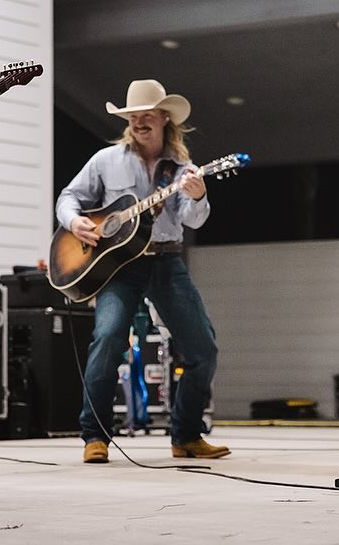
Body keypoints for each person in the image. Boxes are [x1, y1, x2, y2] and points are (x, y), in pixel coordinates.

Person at [55, 79, 228, 463]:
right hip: (119, 267)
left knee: (203, 349)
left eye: (147, 115)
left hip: (166, 260)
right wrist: (74, 223)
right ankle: (94, 437)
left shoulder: (183, 170)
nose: (140, 122)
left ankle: (186, 435)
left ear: (165, 118)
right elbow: (69, 197)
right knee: (107, 340)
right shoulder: (106, 160)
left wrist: (198, 196)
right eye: (133, 116)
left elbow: (193, 220)